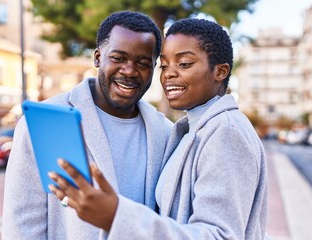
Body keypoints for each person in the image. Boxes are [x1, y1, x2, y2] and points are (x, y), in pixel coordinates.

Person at [49, 18, 268, 239]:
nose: (168, 74)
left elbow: (220, 235)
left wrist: (117, 217)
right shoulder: (191, 130)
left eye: (184, 64)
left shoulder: (226, 133)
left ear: (220, 72)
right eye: (164, 65)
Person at [2, 11, 173, 239]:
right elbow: (21, 224)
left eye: (143, 63)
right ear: (97, 58)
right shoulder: (44, 123)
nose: (130, 70)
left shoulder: (165, 132)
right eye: (118, 58)